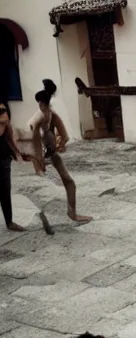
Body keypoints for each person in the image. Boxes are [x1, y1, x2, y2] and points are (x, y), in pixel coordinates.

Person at [28, 78, 91, 223]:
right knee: (47, 188)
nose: (40, 105)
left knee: (69, 182)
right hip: (43, 156)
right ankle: (43, 217)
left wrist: (60, 143)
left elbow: (65, 136)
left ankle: (72, 213)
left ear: (47, 102)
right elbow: (34, 138)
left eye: (42, 103)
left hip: (51, 154)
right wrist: (38, 160)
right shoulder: (38, 117)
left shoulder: (51, 114)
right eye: (39, 103)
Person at [0, 99, 25, 232]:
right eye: (1, 111)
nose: (4, 114)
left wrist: (17, 155)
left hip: (4, 163)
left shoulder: (7, 127)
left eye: (5, 111)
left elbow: (10, 142)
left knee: (5, 193)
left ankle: (9, 222)